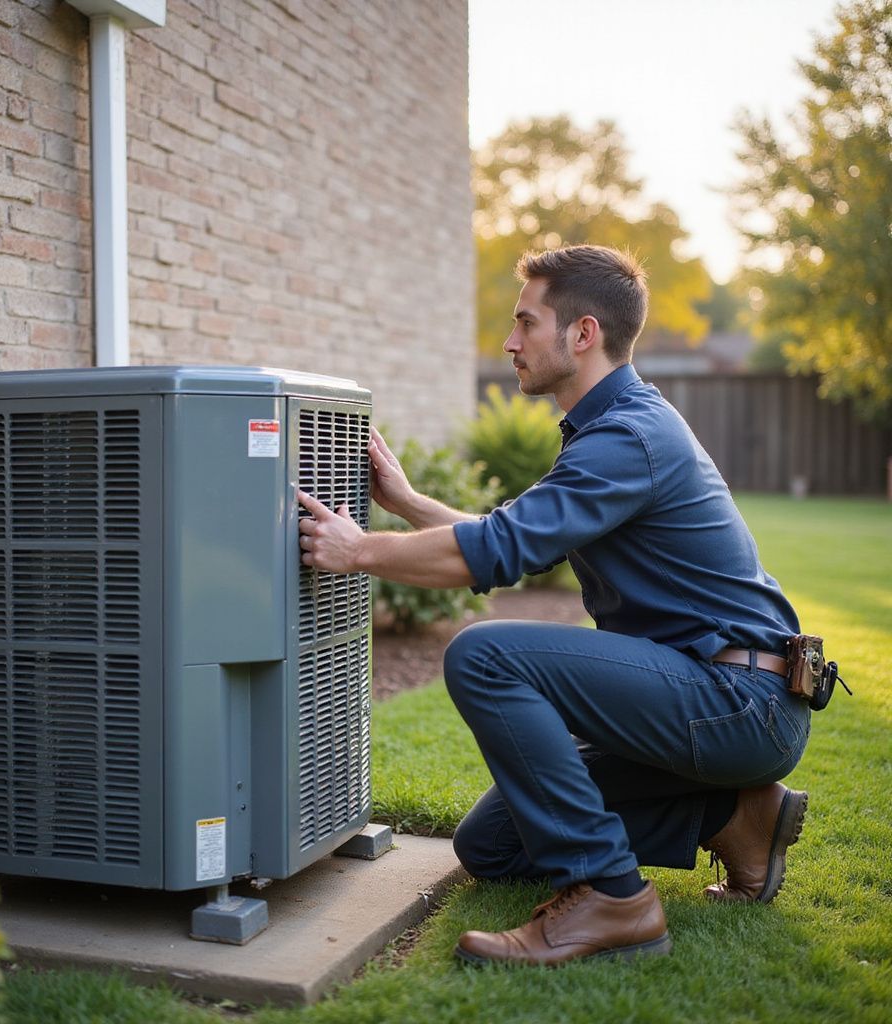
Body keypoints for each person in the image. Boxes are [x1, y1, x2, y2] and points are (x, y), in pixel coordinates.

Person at [296, 244, 810, 967]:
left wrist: (357, 552)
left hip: (736, 700)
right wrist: (408, 503)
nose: (509, 342)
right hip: (718, 698)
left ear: (583, 333)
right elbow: (512, 541)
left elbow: (497, 551)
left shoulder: (628, 436)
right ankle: (736, 815)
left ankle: (612, 896)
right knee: (492, 846)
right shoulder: (614, 428)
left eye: (525, 323)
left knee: (484, 653)